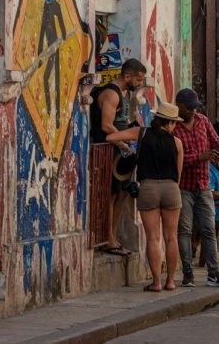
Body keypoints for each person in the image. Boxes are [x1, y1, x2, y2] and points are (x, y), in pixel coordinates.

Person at [107, 102, 183, 291]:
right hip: (171, 189)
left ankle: (156, 282)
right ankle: (171, 281)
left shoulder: (141, 133)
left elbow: (110, 136)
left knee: (153, 238)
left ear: (156, 118)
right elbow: (178, 175)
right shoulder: (177, 143)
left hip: (148, 188)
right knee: (171, 237)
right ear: (172, 123)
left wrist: (128, 148)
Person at [172, 88, 219, 289]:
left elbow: (216, 141)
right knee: (185, 230)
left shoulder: (203, 121)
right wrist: (199, 157)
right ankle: (187, 272)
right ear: (180, 107)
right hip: (184, 186)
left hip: (203, 185)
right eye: (190, 108)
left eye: (195, 108)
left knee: (208, 230)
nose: (193, 112)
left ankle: (214, 272)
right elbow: (174, 158)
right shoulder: (173, 127)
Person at [90, 59, 147, 256]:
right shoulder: (111, 94)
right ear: (127, 76)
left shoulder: (125, 94)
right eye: (138, 79)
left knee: (122, 193)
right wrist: (123, 142)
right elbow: (106, 125)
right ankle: (108, 239)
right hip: (110, 151)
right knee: (110, 195)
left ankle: (113, 235)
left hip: (122, 153)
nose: (139, 83)